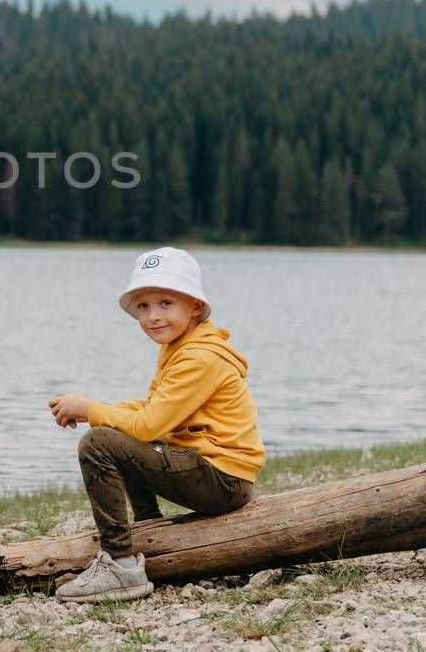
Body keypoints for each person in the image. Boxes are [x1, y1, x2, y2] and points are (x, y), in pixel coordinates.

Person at [47, 246, 264, 603]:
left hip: (223, 479)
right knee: (113, 432)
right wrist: (93, 410)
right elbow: (153, 407)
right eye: (144, 306)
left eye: (166, 303)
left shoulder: (200, 358)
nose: (152, 317)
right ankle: (149, 525)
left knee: (98, 443)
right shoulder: (180, 346)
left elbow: (149, 426)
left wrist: (94, 410)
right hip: (214, 472)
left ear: (195, 306)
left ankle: (121, 566)